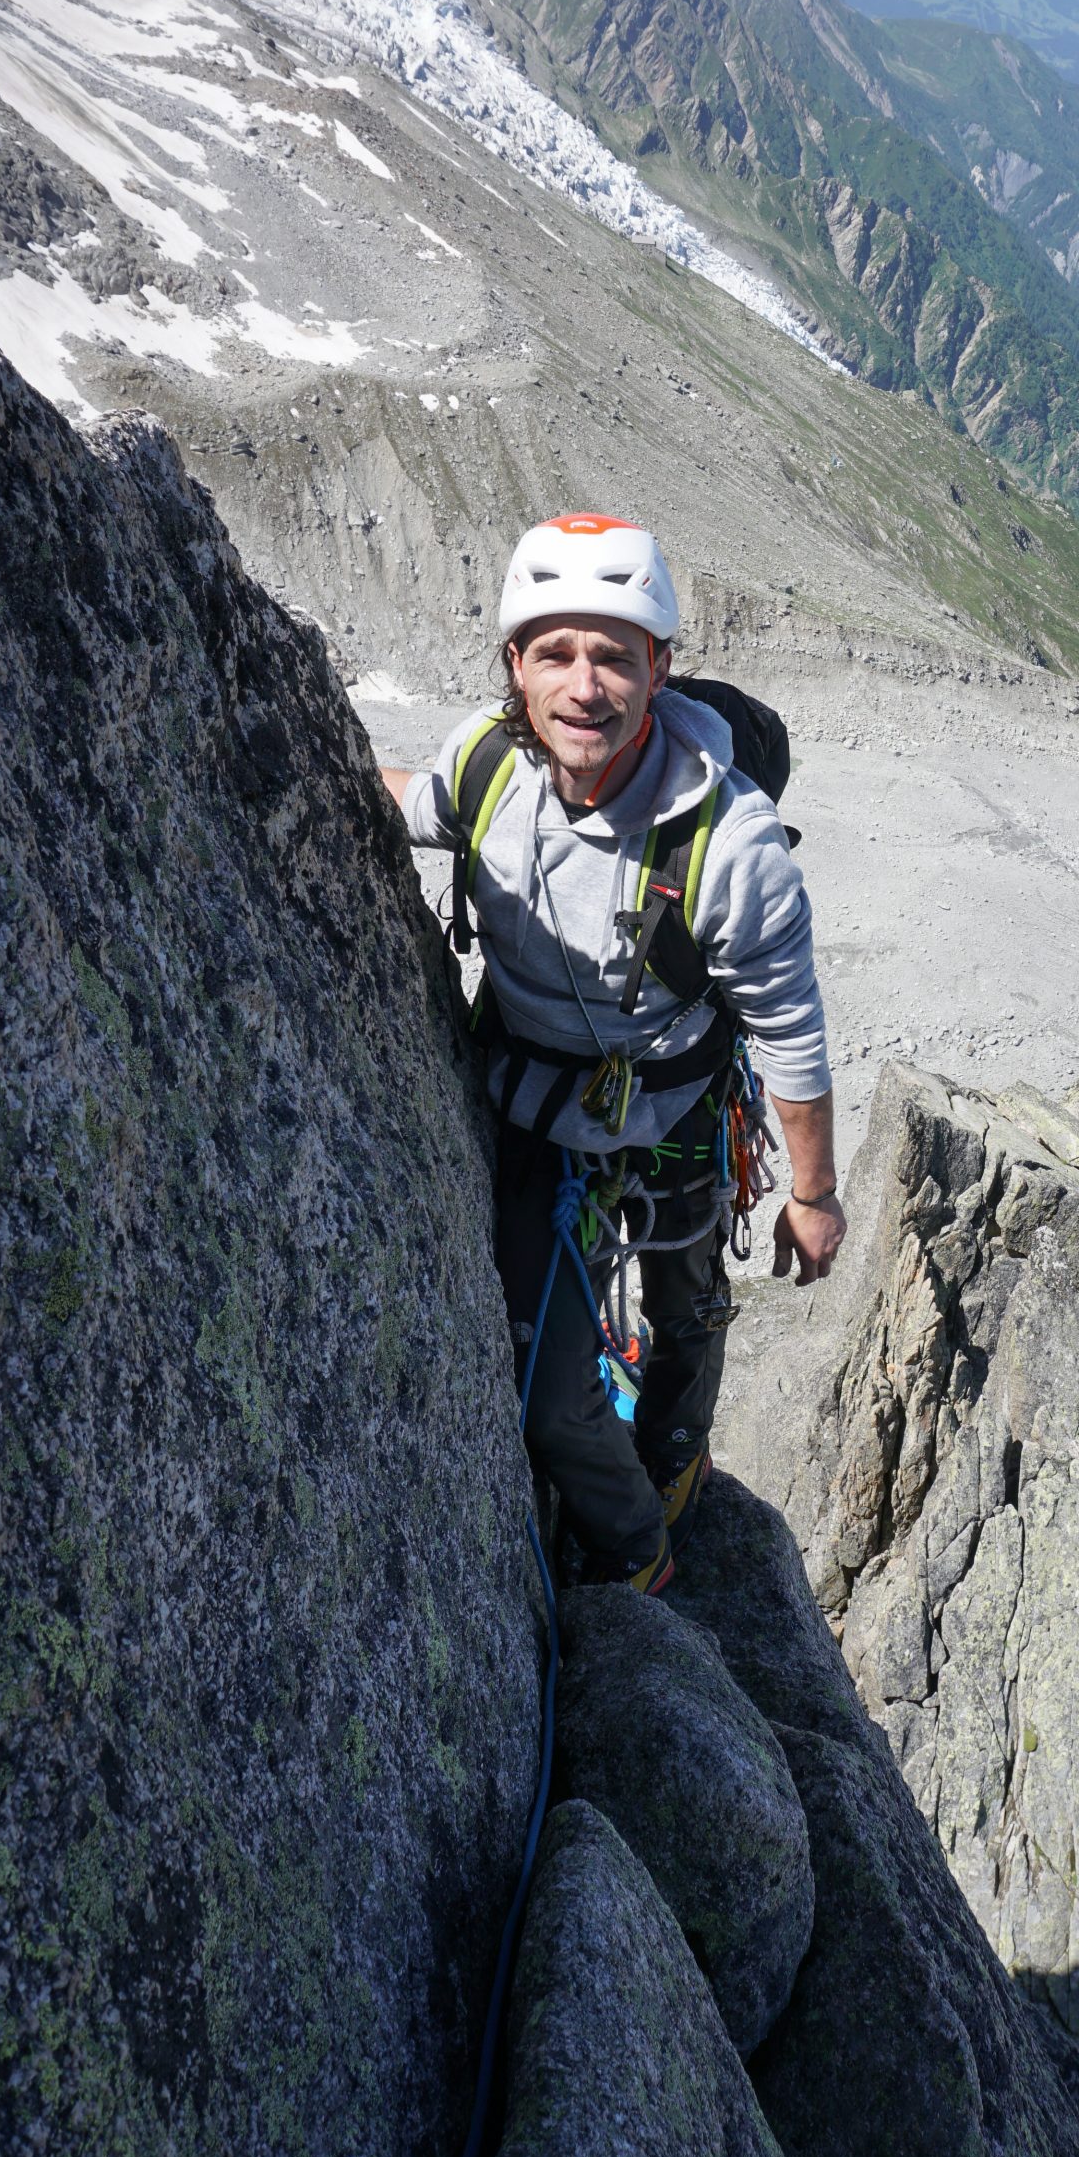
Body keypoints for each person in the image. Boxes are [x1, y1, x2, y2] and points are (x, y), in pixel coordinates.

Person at [381, 513, 843, 1594]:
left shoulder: (729, 842)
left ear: (660, 670)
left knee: (686, 1305)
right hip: (540, 1111)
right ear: (514, 665)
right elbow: (411, 797)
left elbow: (791, 1030)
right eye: (555, 653)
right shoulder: (487, 769)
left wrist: (813, 1198)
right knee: (549, 1391)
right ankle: (640, 1547)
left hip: (676, 1106)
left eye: (613, 657)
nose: (584, 687)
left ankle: (676, 1458)